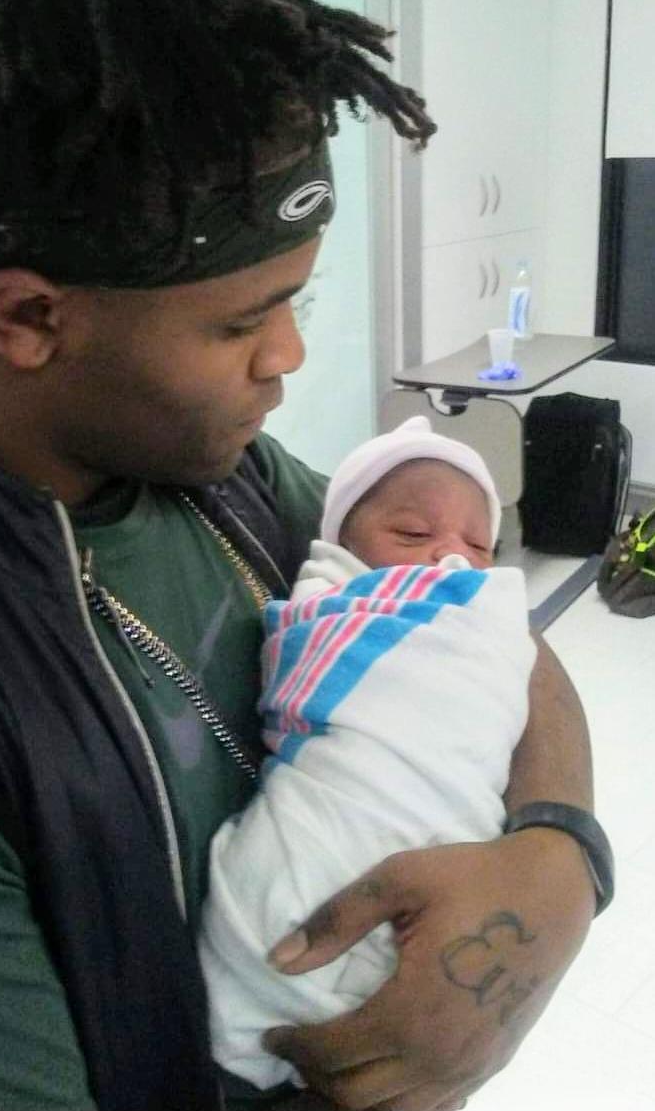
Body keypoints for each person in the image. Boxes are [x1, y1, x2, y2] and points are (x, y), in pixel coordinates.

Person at [0, 0, 610, 1111]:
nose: (288, 359)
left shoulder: (216, 465)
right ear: (29, 316)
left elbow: (478, 620)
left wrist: (558, 856)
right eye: (241, 322)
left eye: (296, 302)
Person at [200, 416, 536, 1092]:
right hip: (316, 827)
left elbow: (513, 661)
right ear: (341, 546)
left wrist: (561, 852)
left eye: (479, 544)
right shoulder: (335, 603)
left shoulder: (255, 467)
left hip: (444, 863)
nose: (451, 559)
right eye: (411, 534)